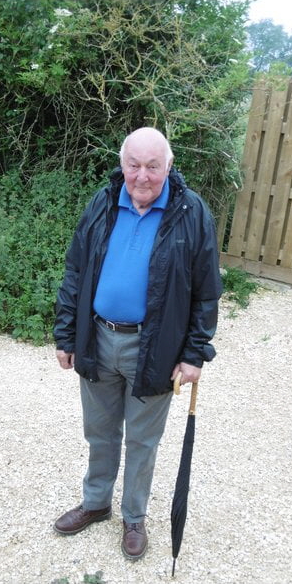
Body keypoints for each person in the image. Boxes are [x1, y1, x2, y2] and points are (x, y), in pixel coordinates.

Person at [53, 127, 222, 560]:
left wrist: (194, 354)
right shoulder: (104, 202)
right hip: (97, 338)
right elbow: (75, 271)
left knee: (143, 441)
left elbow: (206, 291)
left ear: (169, 166)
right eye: (134, 165)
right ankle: (96, 503)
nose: (142, 175)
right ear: (122, 164)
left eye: (152, 166)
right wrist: (66, 334)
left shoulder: (191, 212)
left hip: (154, 347)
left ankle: (134, 516)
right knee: (99, 432)